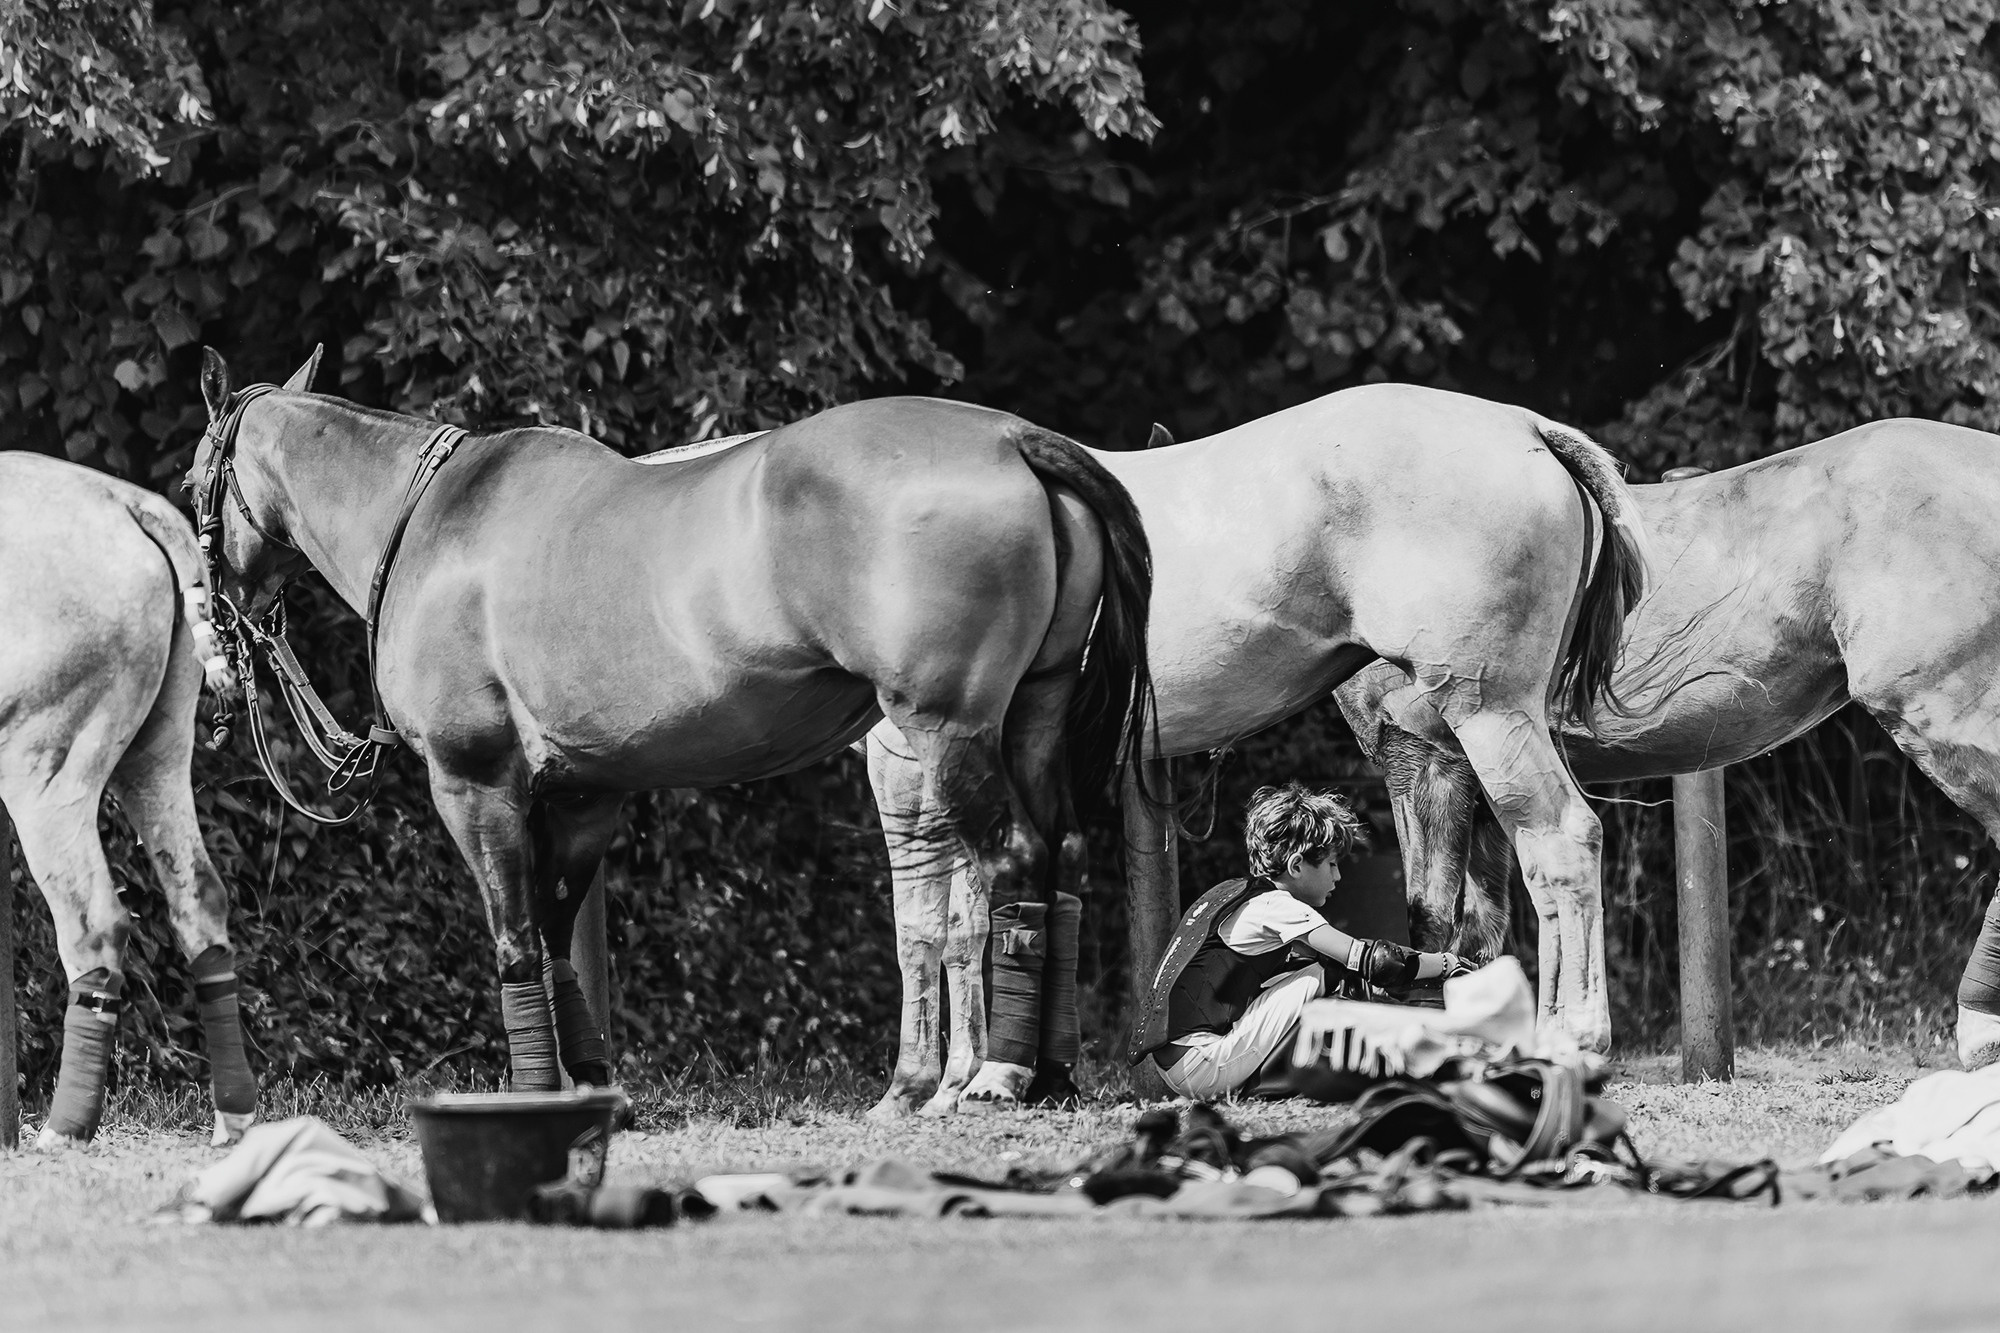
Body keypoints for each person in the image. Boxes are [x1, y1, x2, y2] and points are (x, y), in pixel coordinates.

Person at [1130, 781, 1465, 1099]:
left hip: (1182, 1062)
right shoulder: (1276, 907)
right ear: (1296, 866)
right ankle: (1402, 1063)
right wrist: (1447, 963)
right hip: (1203, 1063)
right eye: (1331, 864)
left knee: (1314, 967)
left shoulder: (1234, 893)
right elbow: (1375, 962)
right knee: (1337, 971)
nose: (1338, 876)